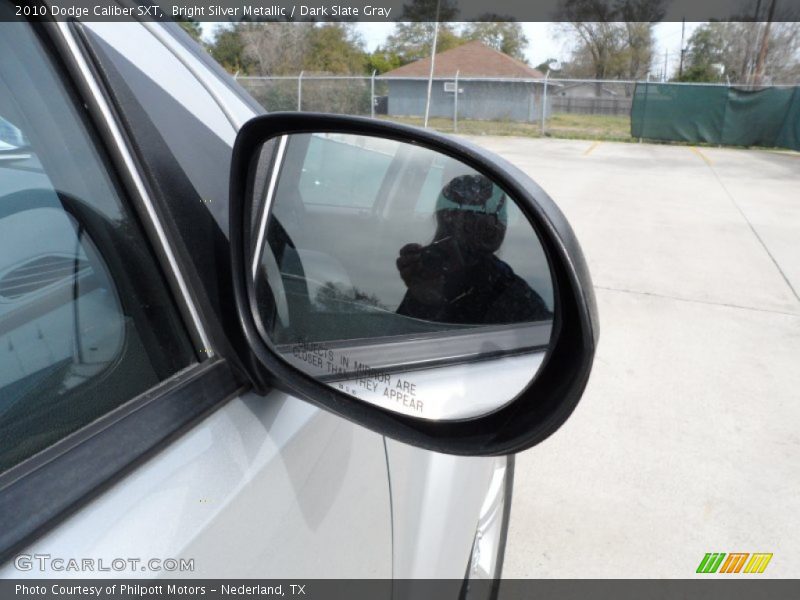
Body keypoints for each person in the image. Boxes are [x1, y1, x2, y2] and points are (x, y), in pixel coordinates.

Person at [396, 174, 552, 325]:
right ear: (447, 217)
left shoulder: (504, 285)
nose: (494, 223)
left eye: (500, 214)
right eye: (482, 212)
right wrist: (422, 298)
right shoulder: (427, 268)